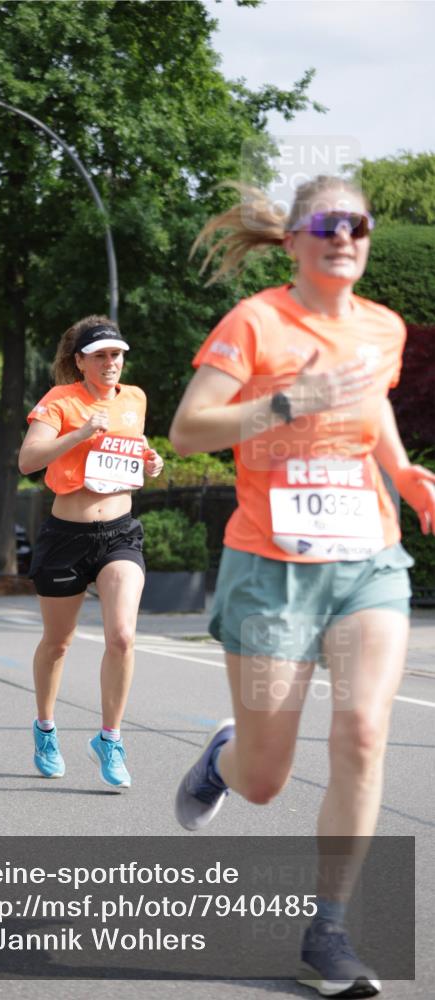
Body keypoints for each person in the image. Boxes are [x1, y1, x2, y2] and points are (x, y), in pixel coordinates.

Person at [169, 175, 435, 998]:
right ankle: (223, 756)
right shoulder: (255, 323)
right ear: (292, 240)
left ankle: (328, 932)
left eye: (355, 223)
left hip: (366, 558)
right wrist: (285, 402)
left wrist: (403, 471)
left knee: (360, 731)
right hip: (270, 567)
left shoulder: (382, 328)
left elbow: (376, 409)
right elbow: (186, 430)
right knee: (262, 781)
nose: (342, 235)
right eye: (324, 223)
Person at [18, 315, 164, 791]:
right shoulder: (59, 402)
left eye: (116, 354)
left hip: (120, 533)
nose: (110, 363)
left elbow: (130, 451)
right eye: (99, 355)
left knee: (122, 636)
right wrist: (80, 433)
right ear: (79, 361)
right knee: (58, 643)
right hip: (67, 535)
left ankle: (110, 738)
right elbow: (28, 461)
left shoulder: (136, 399)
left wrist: (150, 460)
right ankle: (45, 729)